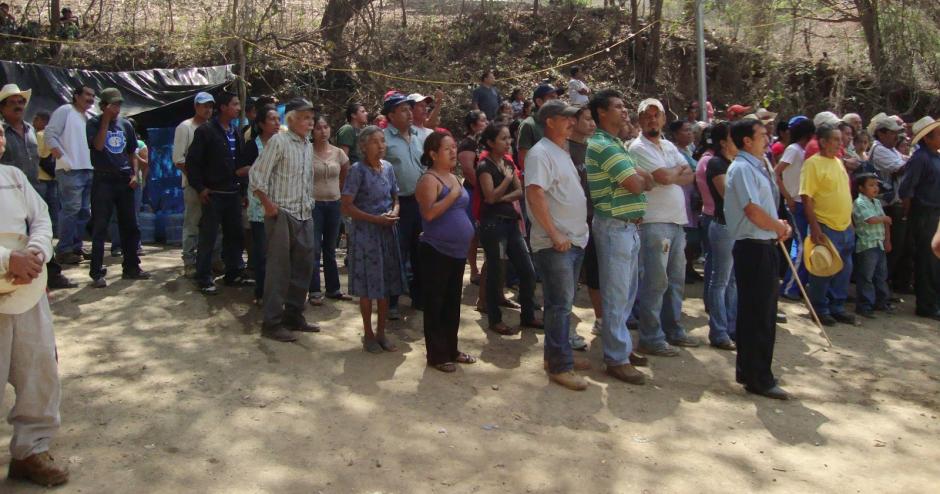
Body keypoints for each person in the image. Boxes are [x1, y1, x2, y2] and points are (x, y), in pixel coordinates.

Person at [0, 137, 70, 486]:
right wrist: (5, 260)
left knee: (39, 368)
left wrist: (37, 251)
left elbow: (41, 217)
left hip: (27, 285)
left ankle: (30, 451)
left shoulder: (13, 176)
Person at [587, 89, 653, 385]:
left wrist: (642, 180)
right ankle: (616, 357)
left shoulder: (616, 144)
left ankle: (621, 346)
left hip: (627, 227)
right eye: (617, 106)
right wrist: (642, 180)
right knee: (616, 294)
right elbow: (638, 183)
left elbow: (643, 179)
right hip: (615, 226)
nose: (624, 110)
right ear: (601, 112)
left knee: (626, 293)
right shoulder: (604, 146)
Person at [525, 100, 591, 391]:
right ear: (550, 121)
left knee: (563, 305)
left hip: (572, 240)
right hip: (557, 244)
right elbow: (535, 194)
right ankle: (559, 365)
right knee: (559, 306)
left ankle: (558, 355)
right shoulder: (540, 154)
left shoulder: (560, 150)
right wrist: (553, 234)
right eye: (566, 118)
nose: (571, 122)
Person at [724, 118, 792, 400]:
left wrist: (778, 226)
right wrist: (777, 226)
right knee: (758, 314)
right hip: (753, 246)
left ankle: (751, 370)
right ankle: (759, 378)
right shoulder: (741, 169)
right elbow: (752, 210)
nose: (768, 138)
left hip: (763, 243)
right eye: (762, 135)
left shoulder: (757, 165)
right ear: (747, 141)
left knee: (757, 312)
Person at [629, 98, 698, 357]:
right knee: (655, 282)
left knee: (676, 281)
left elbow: (690, 175)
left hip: (677, 221)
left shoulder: (668, 145)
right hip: (653, 222)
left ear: (663, 119)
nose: (652, 119)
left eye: (656, 115)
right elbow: (666, 177)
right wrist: (674, 173)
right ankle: (651, 336)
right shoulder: (638, 148)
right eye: (647, 116)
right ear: (639, 120)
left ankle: (673, 329)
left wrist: (673, 173)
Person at [248, 99, 320, 341]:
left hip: (304, 213)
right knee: (279, 271)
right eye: (305, 117)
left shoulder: (307, 145)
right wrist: (268, 205)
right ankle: (272, 322)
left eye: (312, 118)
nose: (310, 122)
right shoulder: (278, 141)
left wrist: (309, 205)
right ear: (292, 119)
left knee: (304, 268)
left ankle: (294, 315)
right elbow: (257, 176)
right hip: (282, 214)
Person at [0, 84, 75, 290]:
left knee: (41, 231)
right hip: (8, 194)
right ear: (2, 108)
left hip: (35, 188)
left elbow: (40, 158)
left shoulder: (31, 130)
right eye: (12, 103)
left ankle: (48, 275)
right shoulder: (1, 133)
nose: (18, 106)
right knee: (16, 237)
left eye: (21, 102)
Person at [415, 131, 477, 372]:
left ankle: (452, 349)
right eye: (447, 149)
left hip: (457, 251)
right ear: (433, 154)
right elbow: (429, 213)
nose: (453, 152)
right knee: (436, 302)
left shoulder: (453, 176)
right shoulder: (428, 180)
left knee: (452, 303)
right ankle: (437, 355)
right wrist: (452, 195)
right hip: (436, 250)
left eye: (454, 147)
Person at [342, 126, 405, 353]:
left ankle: (381, 333)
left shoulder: (387, 168)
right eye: (375, 142)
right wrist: (374, 219)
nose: (381, 146)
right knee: (369, 288)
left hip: (387, 233)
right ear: (363, 146)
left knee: (386, 286)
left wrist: (395, 211)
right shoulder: (357, 170)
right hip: (366, 235)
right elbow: (347, 206)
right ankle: (368, 334)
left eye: (383, 142)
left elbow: (395, 196)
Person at [477, 123, 542, 335]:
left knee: (527, 270)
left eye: (508, 138)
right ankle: (495, 319)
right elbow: (489, 196)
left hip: (510, 223)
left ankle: (528, 315)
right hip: (492, 224)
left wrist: (500, 195)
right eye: (503, 139)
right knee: (496, 272)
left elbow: (519, 192)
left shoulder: (507, 161)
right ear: (490, 142)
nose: (508, 142)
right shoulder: (484, 166)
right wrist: (505, 180)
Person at [186, 91, 254, 295]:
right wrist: (200, 188)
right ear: (223, 108)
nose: (238, 108)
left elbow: (240, 163)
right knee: (208, 237)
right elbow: (192, 163)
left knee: (235, 235)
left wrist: (242, 190)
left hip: (232, 193)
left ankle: (233, 273)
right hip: (213, 193)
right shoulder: (206, 131)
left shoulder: (236, 132)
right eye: (234, 104)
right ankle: (204, 277)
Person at [85, 88, 149, 287]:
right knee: (100, 226)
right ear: (103, 105)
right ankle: (96, 272)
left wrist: (134, 174)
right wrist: (105, 120)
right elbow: (98, 146)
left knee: (130, 225)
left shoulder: (126, 125)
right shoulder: (93, 123)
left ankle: (131, 267)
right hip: (103, 179)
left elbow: (132, 152)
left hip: (124, 180)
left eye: (119, 104)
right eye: (113, 104)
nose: (117, 108)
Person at [801, 123, 856, 326]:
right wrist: (814, 226)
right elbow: (806, 197)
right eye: (835, 139)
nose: (839, 143)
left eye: (840, 140)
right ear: (823, 142)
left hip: (845, 225)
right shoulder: (813, 163)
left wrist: (850, 222)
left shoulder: (838, 161)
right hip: (825, 225)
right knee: (822, 269)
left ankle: (837, 307)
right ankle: (819, 308)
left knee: (844, 269)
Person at [382, 92, 426, 318]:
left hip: (420, 203)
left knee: (420, 251)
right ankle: (390, 302)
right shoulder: (383, 139)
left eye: (410, 109)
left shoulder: (419, 136)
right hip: (396, 203)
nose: (410, 113)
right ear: (390, 115)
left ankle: (418, 298)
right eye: (403, 110)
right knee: (396, 252)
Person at [44, 85, 95, 265]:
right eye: (87, 94)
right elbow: (49, 135)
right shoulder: (65, 110)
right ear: (76, 96)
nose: (90, 98)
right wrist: (62, 159)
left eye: (93, 96)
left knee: (84, 212)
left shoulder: (88, 117)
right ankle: (64, 249)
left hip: (88, 169)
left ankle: (76, 246)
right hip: (70, 170)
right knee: (70, 209)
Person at [899, 116, 940, 321]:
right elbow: (907, 188)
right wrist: (909, 212)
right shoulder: (921, 157)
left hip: (936, 213)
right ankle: (926, 304)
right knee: (927, 259)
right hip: (925, 213)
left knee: (936, 260)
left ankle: (934, 300)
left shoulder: (936, 156)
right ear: (928, 138)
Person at [308, 113, 352, 304]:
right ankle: (314, 290)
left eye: (325, 127)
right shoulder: (305, 151)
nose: (323, 131)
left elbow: (345, 175)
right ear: (312, 130)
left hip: (334, 204)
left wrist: (341, 197)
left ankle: (333, 289)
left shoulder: (338, 153)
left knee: (330, 248)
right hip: (313, 205)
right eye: (318, 127)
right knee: (314, 247)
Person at [174, 92, 217, 278]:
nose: (207, 109)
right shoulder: (185, 127)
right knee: (192, 224)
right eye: (204, 105)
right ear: (196, 107)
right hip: (193, 186)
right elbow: (179, 160)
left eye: (210, 106)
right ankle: (189, 262)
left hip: (213, 187)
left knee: (213, 226)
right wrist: (197, 183)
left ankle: (211, 260)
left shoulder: (213, 128)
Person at [704, 122, 738, 350]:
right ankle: (719, 331)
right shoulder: (716, 163)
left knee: (732, 281)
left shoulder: (735, 163)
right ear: (723, 142)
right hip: (723, 226)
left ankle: (731, 326)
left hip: (736, 227)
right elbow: (728, 194)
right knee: (720, 280)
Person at [567, 106, 599, 351]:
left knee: (596, 273)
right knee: (568, 279)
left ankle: (602, 321)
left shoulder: (594, 149)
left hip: (595, 218)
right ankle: (565, 331)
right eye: (587, 119)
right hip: (571, 222)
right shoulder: (563, 149)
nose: (592, 124)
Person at [241, 104, 280, 303]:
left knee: (279, 252)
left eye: (278, 119)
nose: (277, 123)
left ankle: (278, 292)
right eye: (272, 119)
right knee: (262, 251)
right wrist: (259, 168)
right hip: (259, 205)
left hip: (281, 203)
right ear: (261, 124)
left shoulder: (282, 144)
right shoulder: (252, 146)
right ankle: (261, 292)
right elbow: (238, 170)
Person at [774, 116, 815, 300]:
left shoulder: (803, 151)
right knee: (800, 246)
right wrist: (788, 197)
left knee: (799, 244)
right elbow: (776, 173)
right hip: (795, 202)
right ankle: (790, 287)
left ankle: (796, 283)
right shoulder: (793, 149)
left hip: (802, 202)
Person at [853, 173, 895, 318]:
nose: (875, 188)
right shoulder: (859, 202)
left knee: (881, 275)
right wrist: (884, 218)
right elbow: (870, 219)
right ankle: (864, 305)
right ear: (861, 188)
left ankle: (881, 302)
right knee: (866, 276)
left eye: (876, 185)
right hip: (867, 245)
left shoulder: (877, 203)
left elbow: (886, 224)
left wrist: (887, 240)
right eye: (871, 185)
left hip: (879, 244)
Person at [668, 119, 703, 284]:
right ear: (675, 134)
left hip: (693, 196)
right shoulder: (674, 151)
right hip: (683, 195)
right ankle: (684, 268)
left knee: (694, 235)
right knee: (688, 236)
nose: (690, 133)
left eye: (691, 130)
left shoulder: (690, 149)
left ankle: (689, 267)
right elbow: (684, 172)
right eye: (685, 130)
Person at [458, 110, 488, 285]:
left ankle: (486, 270)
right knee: (473, 232)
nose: (486, 122)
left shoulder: (483, 142)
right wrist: (485, 189)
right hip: (473, 192)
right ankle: (474, 270)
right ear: (472, 125)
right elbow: (469, 171)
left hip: (487, 192)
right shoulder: (467, 144)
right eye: (482, 120)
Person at [517, 84, 561, 171]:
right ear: (539, 102)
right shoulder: (529, 125)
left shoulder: (557, 123)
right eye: (552, 97)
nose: (556, 101)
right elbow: (523, 160)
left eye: (557, 98)